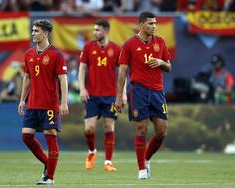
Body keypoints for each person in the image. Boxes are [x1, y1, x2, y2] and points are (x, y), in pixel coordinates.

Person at [115, 11, 171, 180]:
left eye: (155, 23)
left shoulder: (160, 42)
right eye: (150, 23)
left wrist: (161, 63)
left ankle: (146, 159)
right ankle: (141, 170)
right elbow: (122, 71)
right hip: (138, 90)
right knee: (141, 129)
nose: (154, 26)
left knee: (162, 131)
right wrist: (119, 96)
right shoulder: (129, 45)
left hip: (158, 91)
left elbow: (169, 67)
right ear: (141, 25)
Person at [17, 19, 69, 185]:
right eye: (33, 30)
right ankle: (48, 164)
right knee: (26, 136)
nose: (33, 33)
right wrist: (22, 100)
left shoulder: (56, 55)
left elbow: (63, 80)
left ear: (45, 33)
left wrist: (64, 102)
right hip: (32, 104)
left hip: (49, 105)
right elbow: (27, 78)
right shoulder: (29, 54)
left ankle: (50, 177)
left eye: (36, 31)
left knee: (50, 136)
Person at [78, 19, 126, 172]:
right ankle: (92, 152)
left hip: (110, 96)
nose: (94, 33)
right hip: (92, 95)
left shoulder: (116, 49)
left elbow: (122, 73)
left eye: (97, 30)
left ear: (106, 31)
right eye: (94, 30)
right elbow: (82, 69)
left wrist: (122, 94)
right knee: (89, 129)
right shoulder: (88, 47)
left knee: (108, 127)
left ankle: (108, 162)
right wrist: (82, 88)